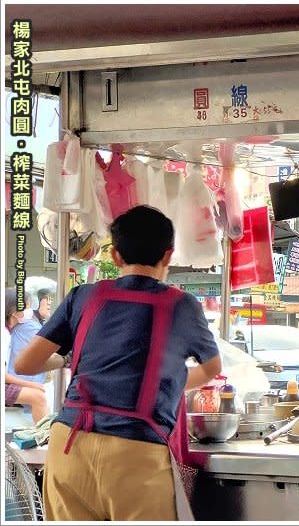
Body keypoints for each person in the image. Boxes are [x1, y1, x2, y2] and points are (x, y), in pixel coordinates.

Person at [14, 205, 222, 521]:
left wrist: (68, 358)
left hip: (69, 444)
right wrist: (169, 381)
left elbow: (26, 364)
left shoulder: (82, 296)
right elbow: (211, 369)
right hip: (136, 453)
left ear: (115, 256)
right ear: (168, 255)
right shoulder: (182, 306)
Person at [4, 288, 51, 424]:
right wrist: (32, 385)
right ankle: (43, 440)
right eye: (27, 308)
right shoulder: (5, 334)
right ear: (14, 312)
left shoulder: (12, 330)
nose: (29, 312)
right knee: (38, 397)